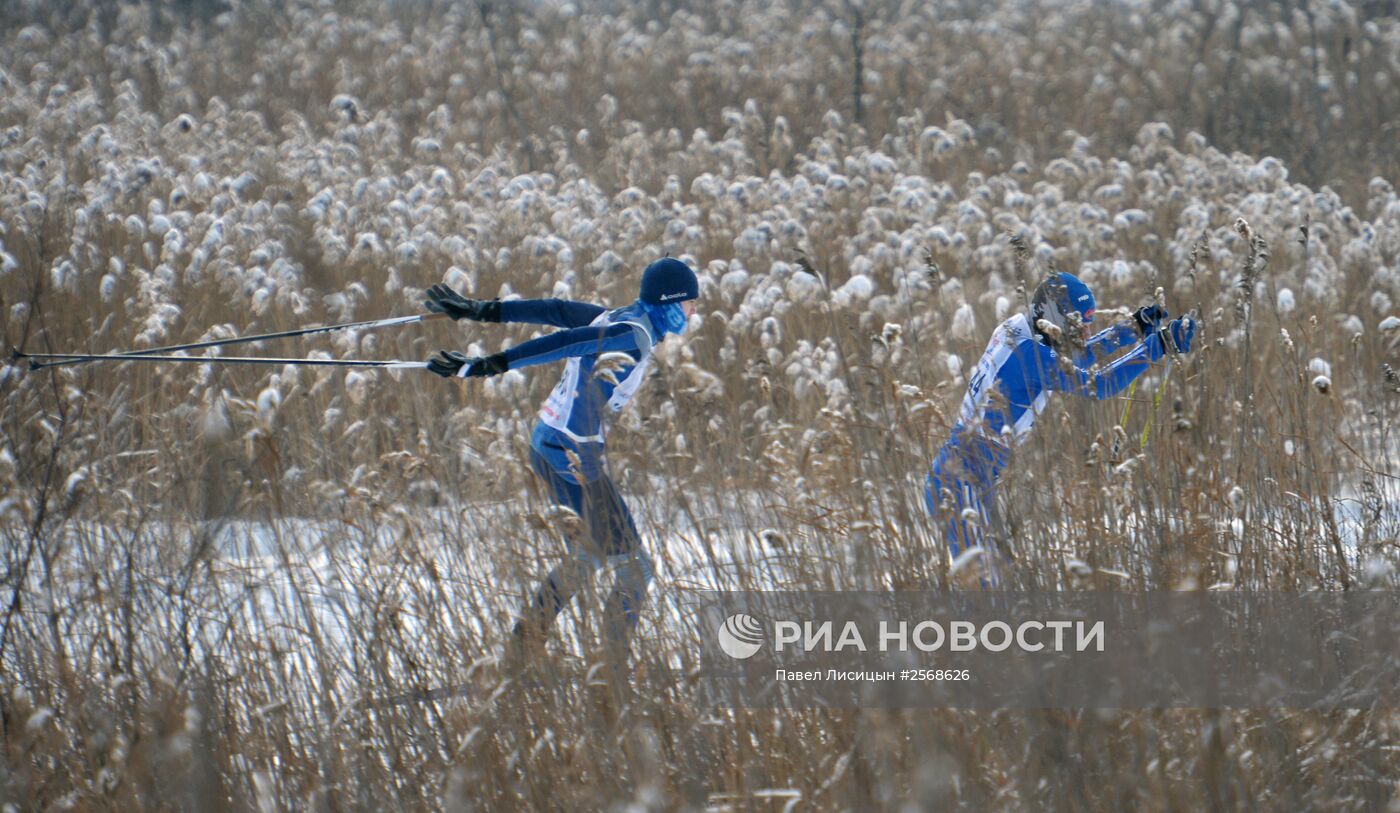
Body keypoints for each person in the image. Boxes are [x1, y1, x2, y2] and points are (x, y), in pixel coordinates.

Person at [423, 258, 699, 663]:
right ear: (671, 302)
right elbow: (563, 342)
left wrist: (481, 310)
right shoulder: (631, 334)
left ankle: (522, 650)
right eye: (690, 303)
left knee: (592, 552)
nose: (694, 313)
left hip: (550, 447)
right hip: (572, 459)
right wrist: (489, 365)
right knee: (635, 569)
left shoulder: (626, 319)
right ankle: (611, 673)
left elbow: (555, 311)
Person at [926, 271, 1195, 581]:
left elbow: (1073, 355)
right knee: (987, 591)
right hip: (961, 481)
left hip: (967, 475)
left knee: (1001, 583)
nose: (1085, 332)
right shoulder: (1027, 355)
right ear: (1055, 319)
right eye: (1080, 324)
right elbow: (1098, 385)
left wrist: (1134, 328)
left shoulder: (1019, 329)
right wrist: (1157, 345)